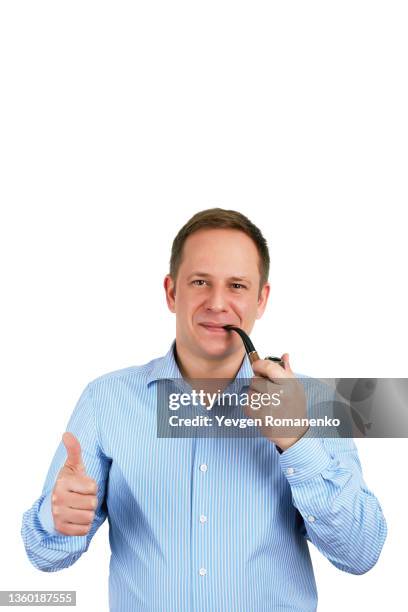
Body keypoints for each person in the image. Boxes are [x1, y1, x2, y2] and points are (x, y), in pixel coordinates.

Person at [21, 208, 387, 612]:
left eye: (236, 285)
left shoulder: (313, 402)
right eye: (200, 282)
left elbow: (360, 553)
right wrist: (57, 520)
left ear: (261, 299)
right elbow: (46, 555)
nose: (217, 303)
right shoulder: (105, 401)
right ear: (171, 292)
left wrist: (295, 439)